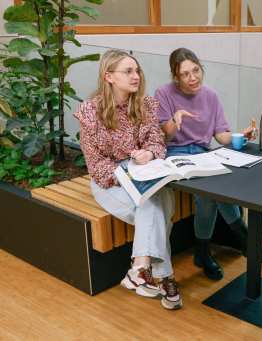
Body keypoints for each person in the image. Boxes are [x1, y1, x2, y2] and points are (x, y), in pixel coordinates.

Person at [74, 49, 182, 310]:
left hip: (143, 175)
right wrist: (128, 173)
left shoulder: (144, 105)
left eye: (137, 70)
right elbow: (96, 166)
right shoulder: (90, 111)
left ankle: (140, 269)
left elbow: (156, 141)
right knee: (156, 207)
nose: (136, 76)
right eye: (128, 71)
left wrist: (149, 152)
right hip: (111, 181)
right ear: (109, 76)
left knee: (152, 203)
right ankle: (163, 275)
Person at [154, 48, 262, 281]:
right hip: (173, 155)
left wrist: (242, 135)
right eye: (185, 74)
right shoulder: (163, 93)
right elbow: (163, 137)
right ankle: (243, 239)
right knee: (208, 193)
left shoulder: (211, 96)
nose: (193, 78)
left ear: (201, 68)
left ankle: (207, 250)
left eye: (196, 70)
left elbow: (221, 136)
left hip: (202, 153)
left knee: (220, 186)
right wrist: (175, 122)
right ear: (175, 77)